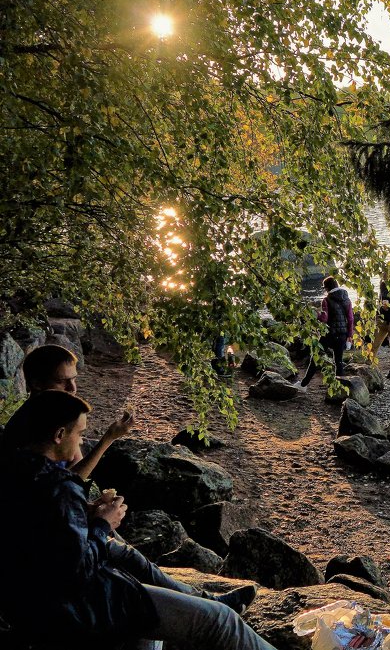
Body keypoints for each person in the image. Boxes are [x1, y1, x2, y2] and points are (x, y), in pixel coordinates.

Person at [0, 391, 268, 650]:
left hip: (28, 604)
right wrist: (103, 524)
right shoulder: (57, 485)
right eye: (80, 434)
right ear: (59, 435)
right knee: (219, 621)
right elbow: (74, 571)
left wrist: (83, 518)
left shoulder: (13, 469)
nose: (81, 442)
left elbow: (44, 538)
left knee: (139, 589)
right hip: (78, 609)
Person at [20, 343, 133, 480]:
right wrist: (109, 437)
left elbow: (75, 462)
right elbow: (63, 484)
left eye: (74, 379)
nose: (72, 388)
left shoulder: (60, 413)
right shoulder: (28, 428)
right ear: (37, 383)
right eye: (62, 381)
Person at [300, 276, 354, 387]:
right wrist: (350, 335)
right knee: (338, 361)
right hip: (342, 335)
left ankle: (303, 385)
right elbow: (350, 319)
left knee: (316, 357)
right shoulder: (347, 299)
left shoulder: (326, 300)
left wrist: (316, 314)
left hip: (329, 334)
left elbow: (324, 319)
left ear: (327, 288)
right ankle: (340, 389)